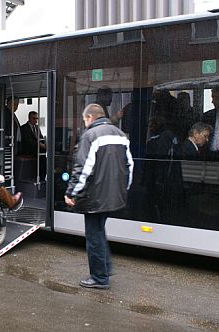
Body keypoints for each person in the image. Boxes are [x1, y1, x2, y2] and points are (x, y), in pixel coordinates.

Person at [64, 103, 134, 290]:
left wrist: (71, 193)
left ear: (89, 118)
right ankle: (106, 267)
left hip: (95, 198)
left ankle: (99, 278)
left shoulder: (90, 136)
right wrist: (123, 189)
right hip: (114, 196)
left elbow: (82, 170)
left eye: (84, 119)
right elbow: (129, 166)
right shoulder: (120, 134)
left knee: (94, 236)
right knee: (100, 231)